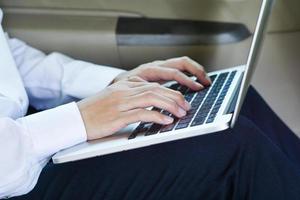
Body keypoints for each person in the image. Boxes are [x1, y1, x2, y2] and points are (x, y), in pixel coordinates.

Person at [1, 9, 300, 200]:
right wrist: (80, 119)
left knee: (234, 100)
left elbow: (9, 58)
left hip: (24, 135)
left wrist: (118, 83)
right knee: (233, 148)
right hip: (14, 170)